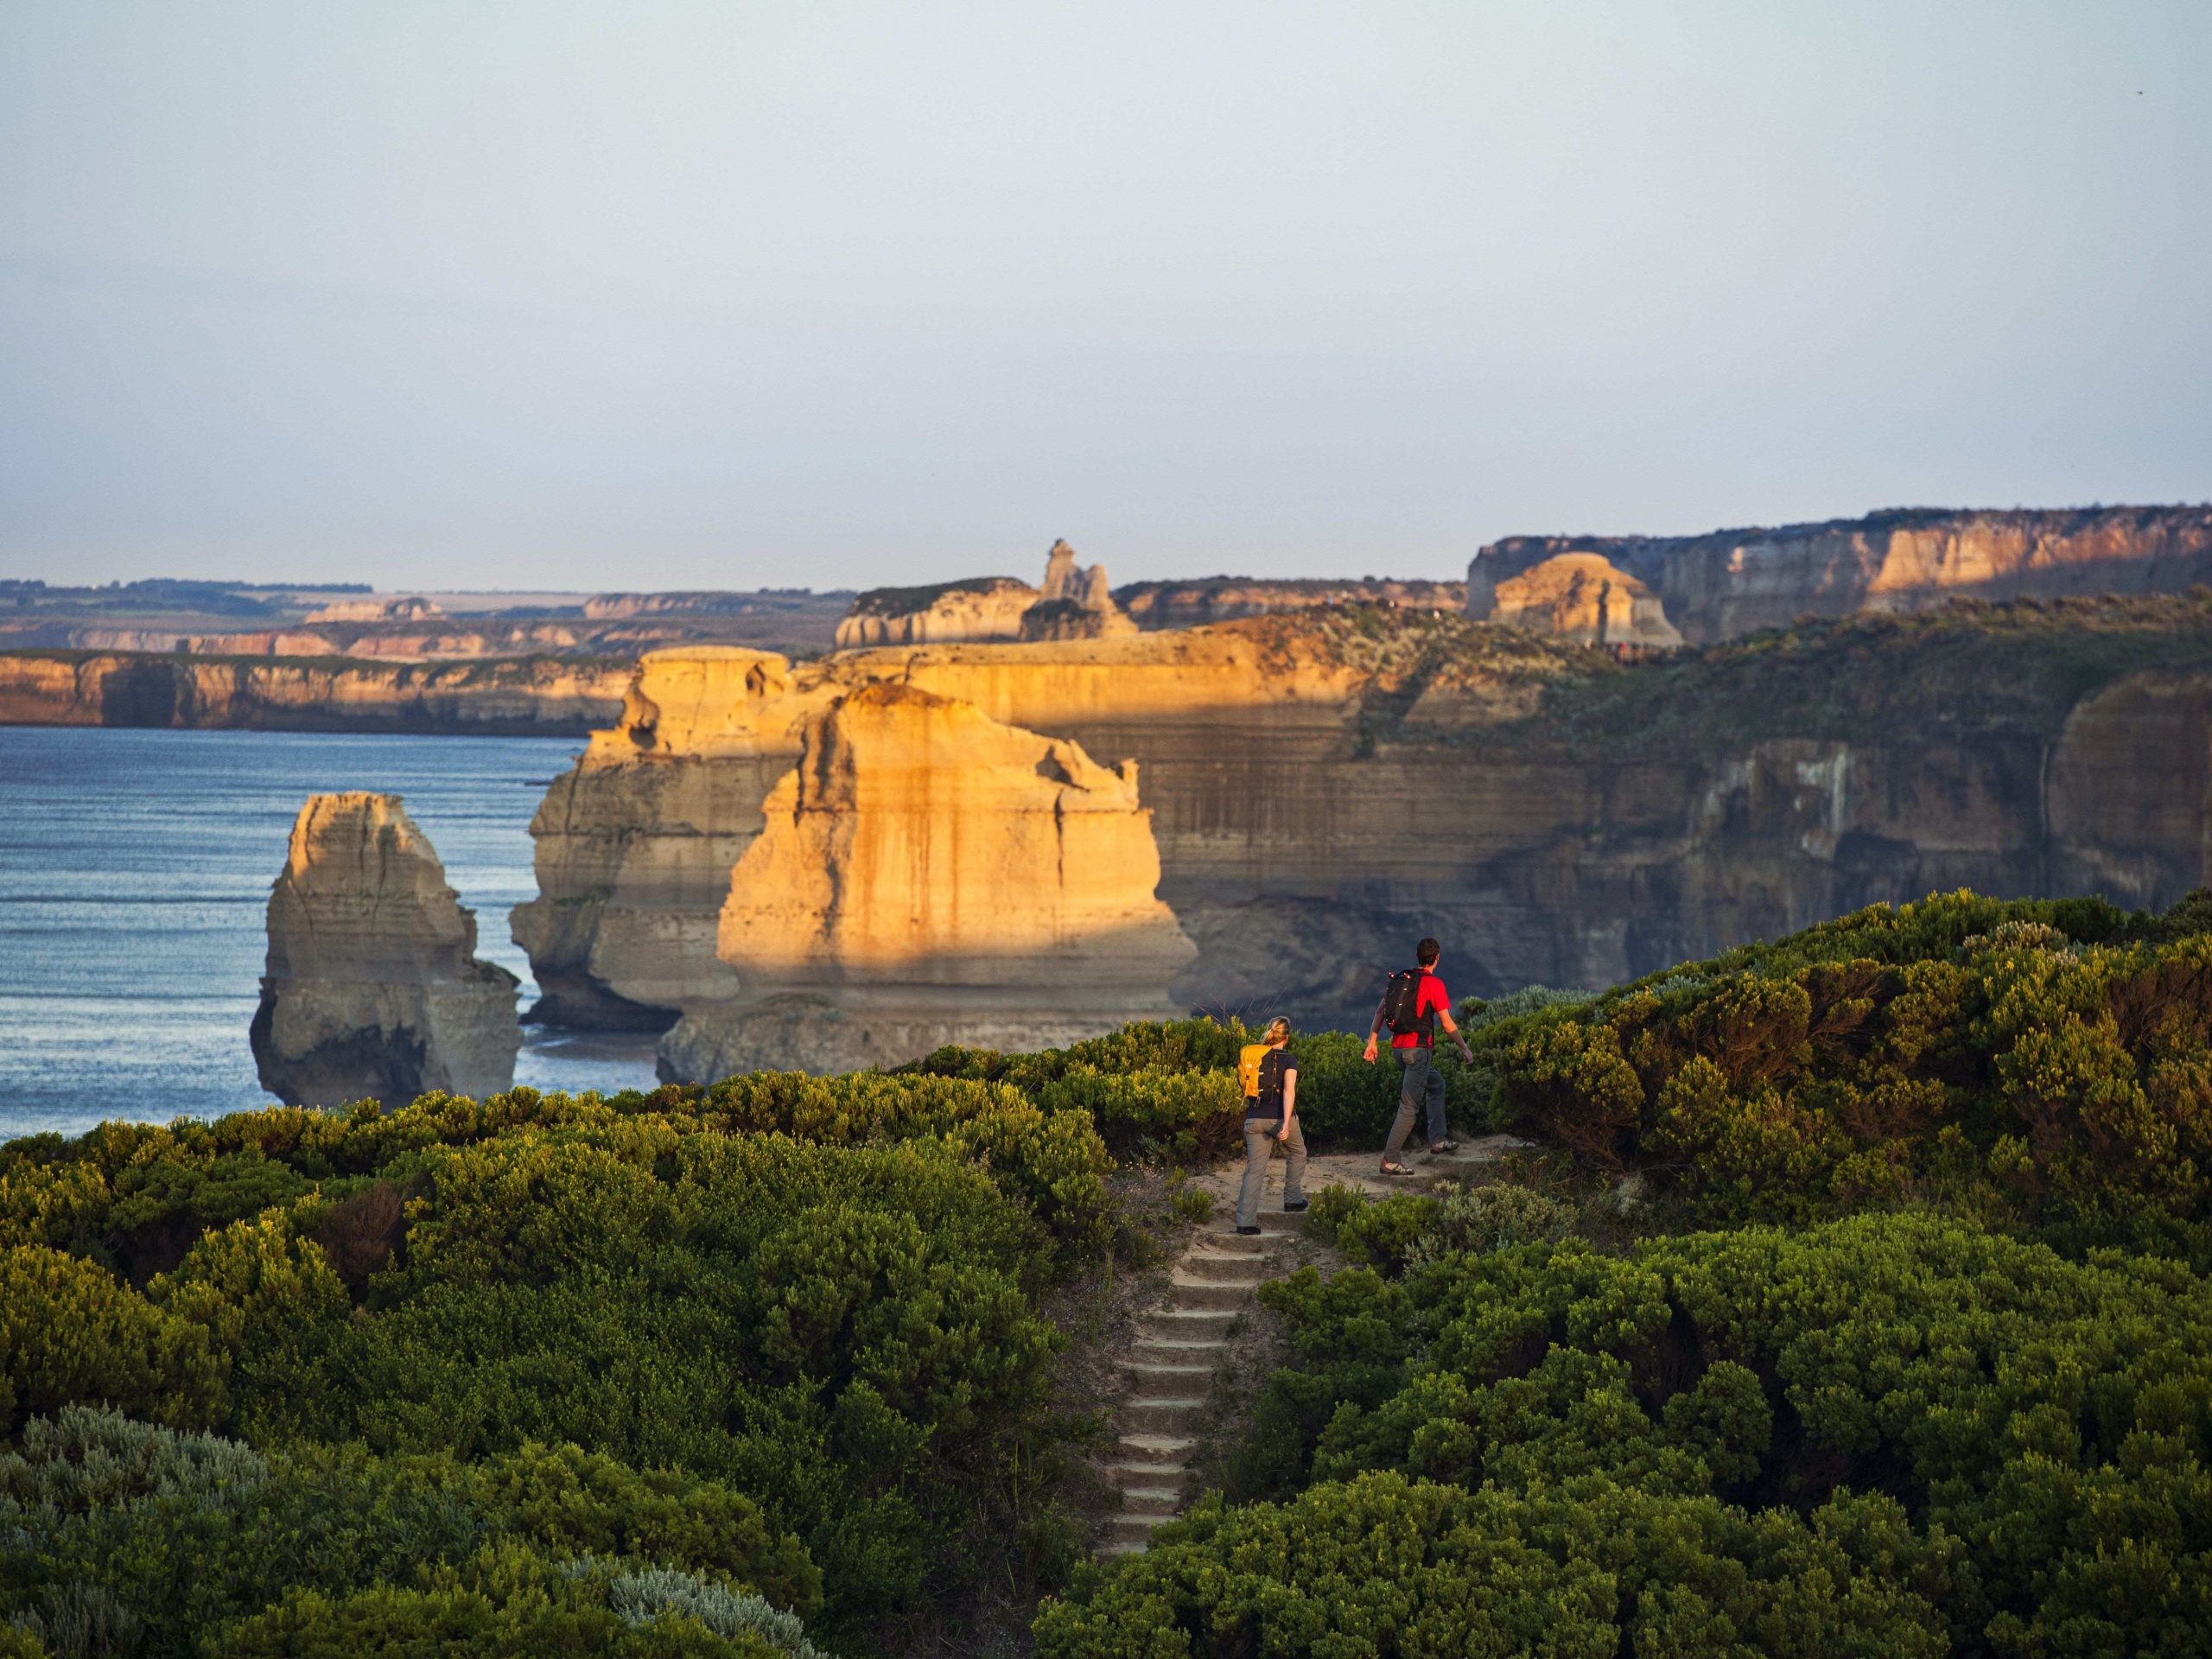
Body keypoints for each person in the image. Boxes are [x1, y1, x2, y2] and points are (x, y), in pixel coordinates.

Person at [1364, 937, 1472, 1175]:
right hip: (1417, 1053)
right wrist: (1464, 1048)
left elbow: (1381, 1010)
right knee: (1408, 1108)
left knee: (1436, 1085)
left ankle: (1438, 1140)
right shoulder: (1433, 984)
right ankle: (1390, 1160)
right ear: (1437, 958)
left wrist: (1372, 1043)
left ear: (1418, 956)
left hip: (1398, 1051)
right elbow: (1446, 1023)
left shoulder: (1403, 979)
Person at [1235, 1016, 1306, 1235]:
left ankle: (1245, 1223)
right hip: (1278, 1119)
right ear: (1287, 1036)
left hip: (1254, 1119)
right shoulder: (1289, 1060)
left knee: (1254, 1171)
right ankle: (1292, 1200)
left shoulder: (1255, 1057)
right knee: (1297, 1153)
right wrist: (1286, 1123)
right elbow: (1288, 1091)